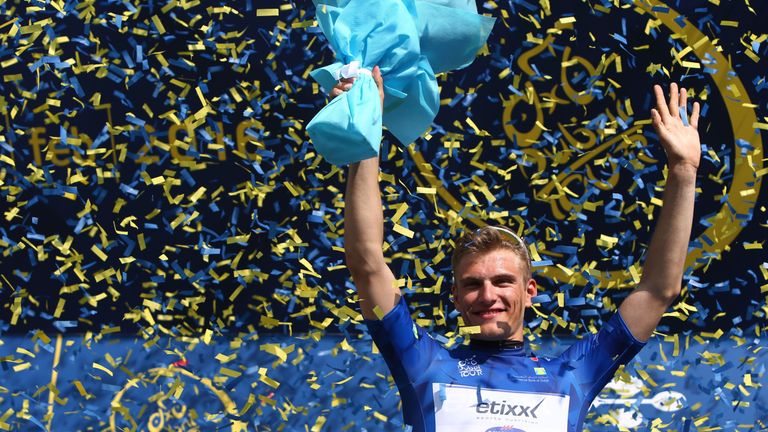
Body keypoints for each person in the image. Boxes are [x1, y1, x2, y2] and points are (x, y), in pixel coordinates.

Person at [337, 66, 701, 431]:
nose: (487, 294)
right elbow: (366, 262)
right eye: (472, 284)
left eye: (502, 281)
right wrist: (365, 143)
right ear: (455, 297)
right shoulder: (424, 364)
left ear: (530, 292)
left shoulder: (572, 376)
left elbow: (657, 291)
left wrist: (684, 171)